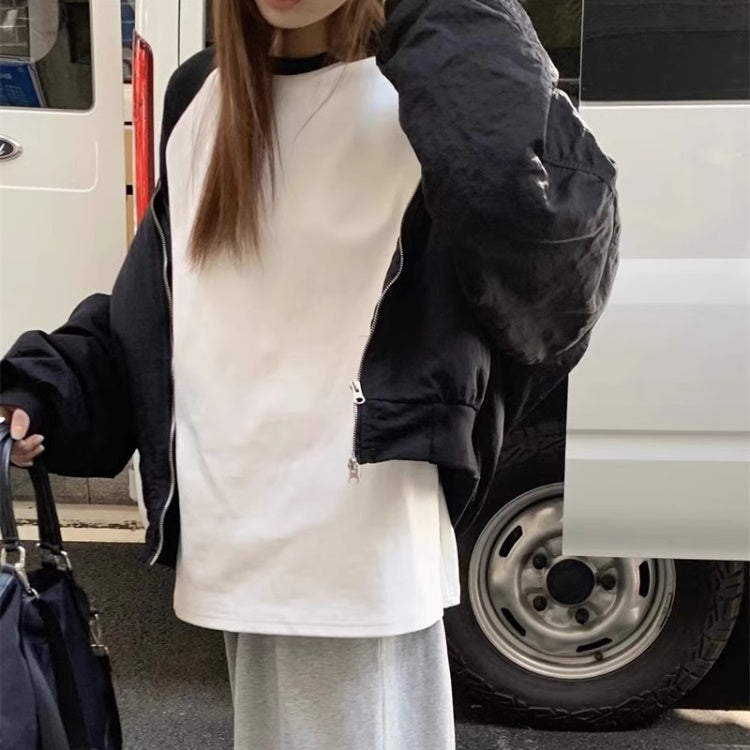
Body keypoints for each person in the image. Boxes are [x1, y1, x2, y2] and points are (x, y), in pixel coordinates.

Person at [0, 0, 620, 748]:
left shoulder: (431, 93)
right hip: (237, 547)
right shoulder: (203, 97)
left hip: (353, 550)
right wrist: (43, 390)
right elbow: (158, 318)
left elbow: (549, 256)